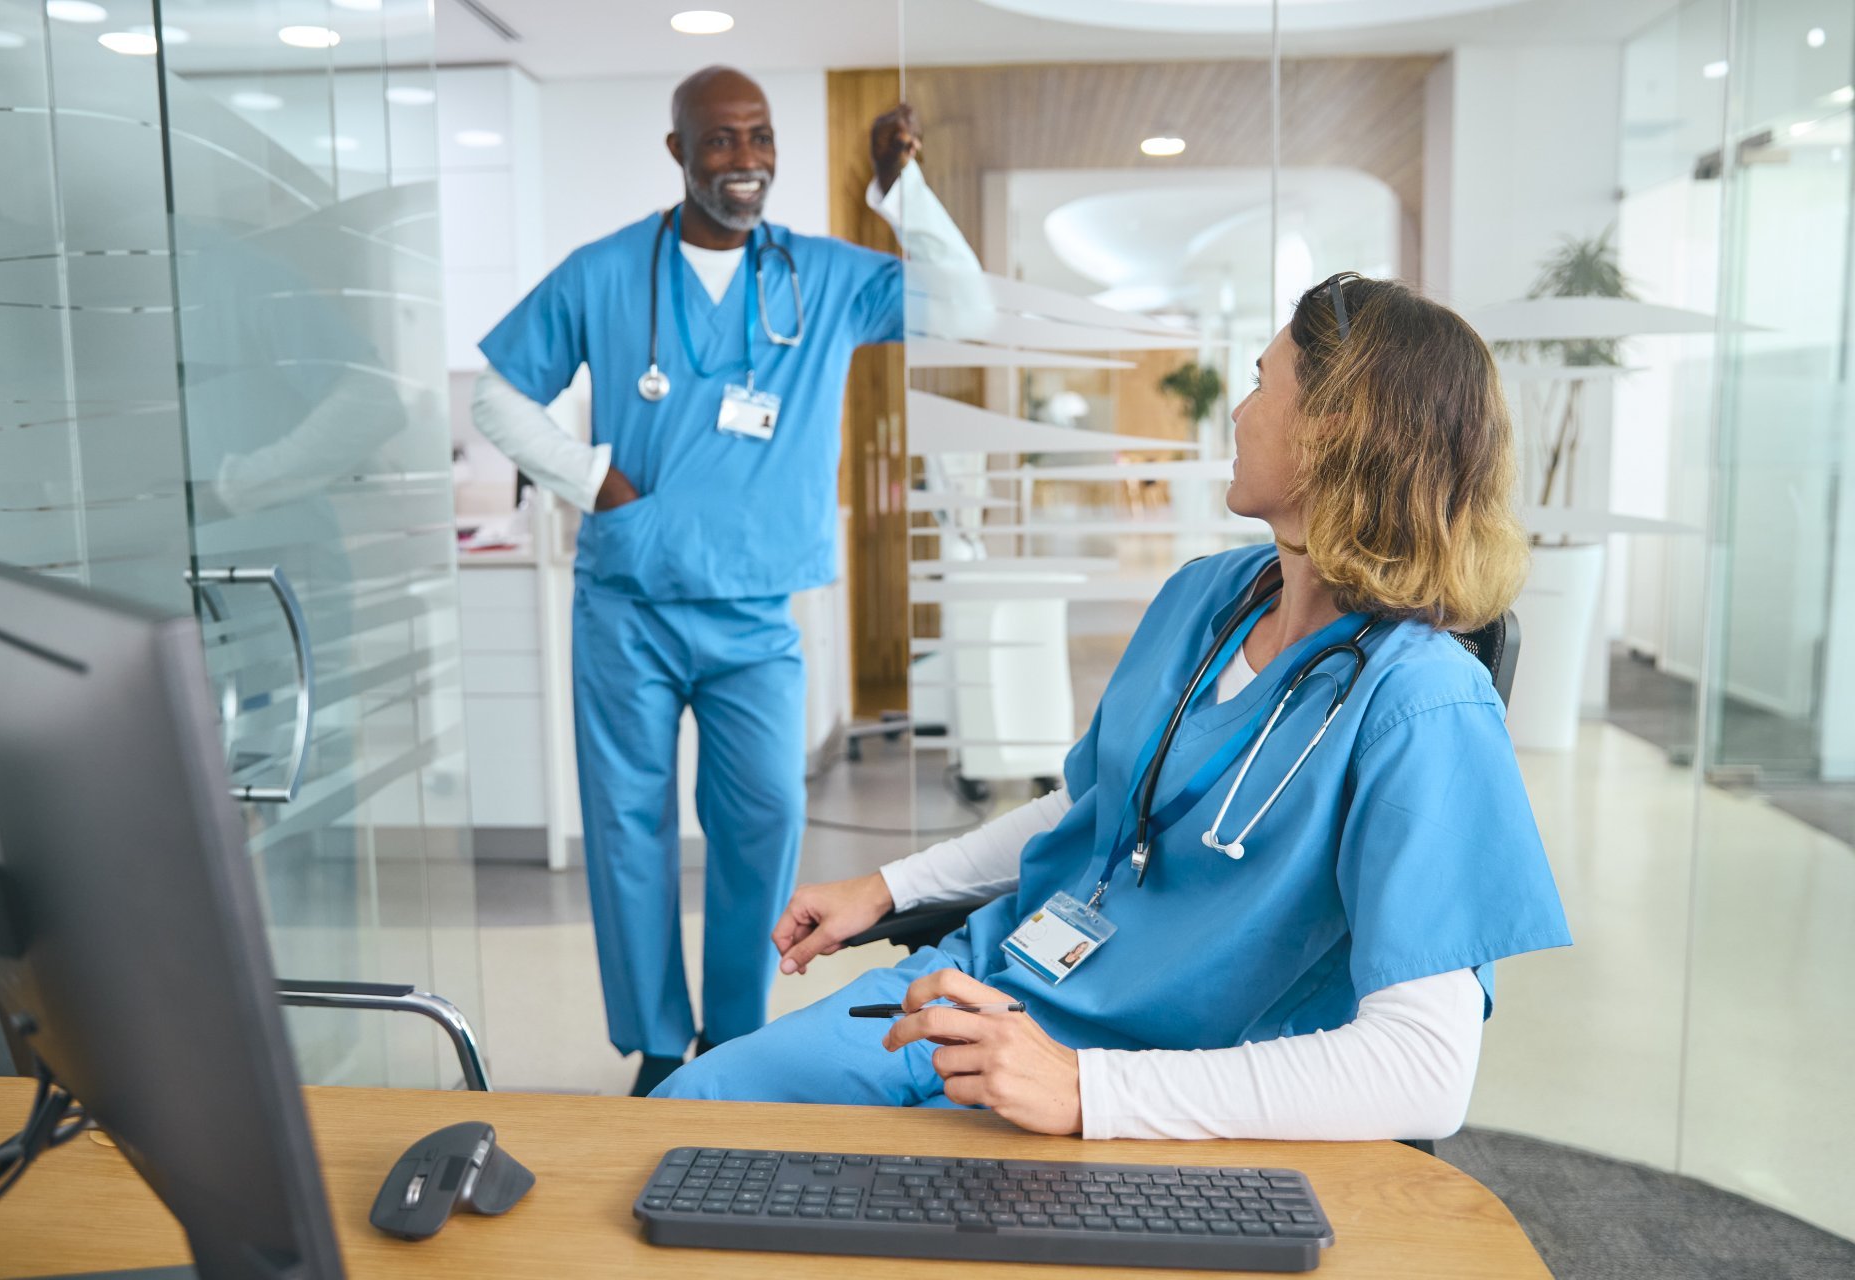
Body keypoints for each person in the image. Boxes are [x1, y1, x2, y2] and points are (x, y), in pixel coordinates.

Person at [654, 272, 1573, 1141]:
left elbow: (1425, 1067)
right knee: (687, 1115)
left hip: (1146, 1085)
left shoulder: (1423, 706)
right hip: (978, 991)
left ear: (1333, 432)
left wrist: (1086, 1088)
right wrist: (889, 888)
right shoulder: (1208, 599)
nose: (1240, 414)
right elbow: (1094, 807)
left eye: (1262, 386)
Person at [473, 67, 984, 1096]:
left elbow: (962, 308)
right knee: (627, 827)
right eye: (718, 141)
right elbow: (497, 397)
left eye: (758, 138)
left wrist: (905, 193)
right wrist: (593, 479)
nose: (743, 160)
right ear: (678, 152)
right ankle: (659, 1042)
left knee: (761, 821)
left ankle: (735, 1031)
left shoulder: (825, 275)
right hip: (629, 602)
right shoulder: (605, 272)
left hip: (757, 610)